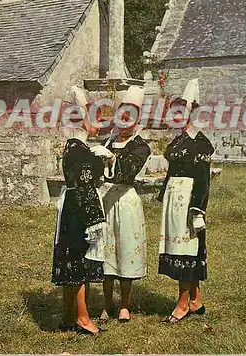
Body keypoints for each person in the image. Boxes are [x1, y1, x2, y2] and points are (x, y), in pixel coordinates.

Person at [51, 86, 113, 335]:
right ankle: (83, 318)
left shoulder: (73, 147)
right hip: (80, 209)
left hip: (71, 206)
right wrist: (95, 219)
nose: (99, 123)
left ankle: (68, 315)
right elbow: (87, 185)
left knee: (70, 259)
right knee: (78, 262)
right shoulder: (81, 152)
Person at [158, 79, 214, 324]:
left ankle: (182, 303)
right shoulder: (178, 140)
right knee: (178, 249)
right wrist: (164, 197)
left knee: (188, 251)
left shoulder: (201, 143)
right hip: (174, 199)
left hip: (189, 200)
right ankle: (195, 300)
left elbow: (203, 180)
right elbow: (171, 171)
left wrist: (198, 209)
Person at [93, 85, 150, 323]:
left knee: (125, 250)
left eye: (131, 115)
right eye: (122, 113)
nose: (125, 118)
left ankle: (125, 304)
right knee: (106, 250)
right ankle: (107, 304)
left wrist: (112, 159)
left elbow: (127, 173)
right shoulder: (107, 141)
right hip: (105, 199)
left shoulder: (140, 146)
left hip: (125, 200)